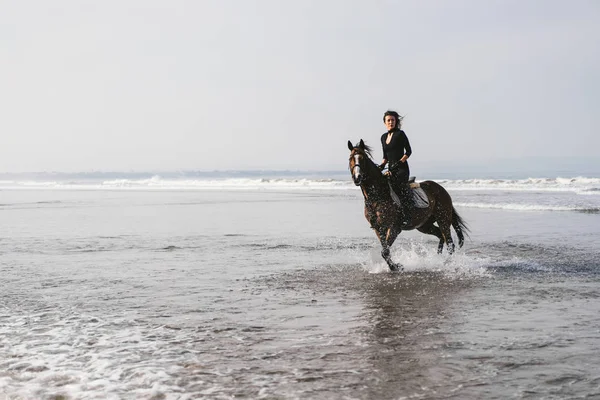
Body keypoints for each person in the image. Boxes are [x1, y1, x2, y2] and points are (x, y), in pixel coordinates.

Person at [378, 110, 413, 226]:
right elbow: (385, 156)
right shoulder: (383, 137)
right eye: (388, 120)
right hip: (390, 169)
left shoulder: (400, 134)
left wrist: (400, 162)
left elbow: (408, 151)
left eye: (393, 120)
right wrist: (382, 165)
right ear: (384, 122)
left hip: (401, 169)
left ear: (396, 121)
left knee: (398, 186)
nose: (390, 122)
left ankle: (406, 214)